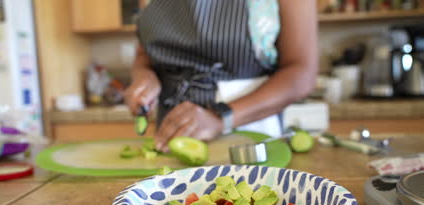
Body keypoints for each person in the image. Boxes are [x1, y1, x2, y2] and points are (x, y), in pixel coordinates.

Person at [125, 0, 318, 152]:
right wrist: (144, 75)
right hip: (172, 136)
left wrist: (219, 117)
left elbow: (301, 73)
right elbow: (145, 53)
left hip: (247, 136)